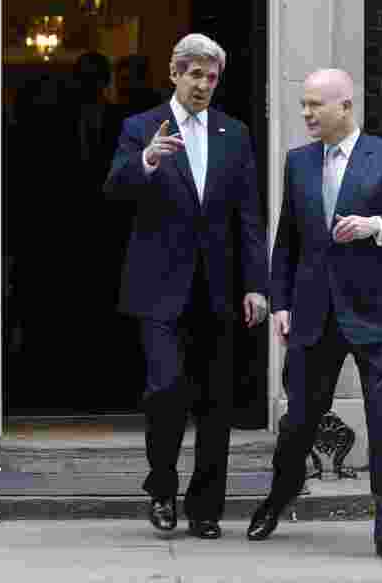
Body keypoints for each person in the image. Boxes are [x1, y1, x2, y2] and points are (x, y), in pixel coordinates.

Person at [246, 68, 382, 567]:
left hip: (377, 316)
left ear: (344, 107)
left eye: (314, 105)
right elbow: (287, 241)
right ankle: (279, 496)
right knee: (299, 423)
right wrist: (280, 303)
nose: (306, 113)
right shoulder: (299, 161)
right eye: (304, 104)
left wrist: (376, 224)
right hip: (312, 313)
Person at [103, 33, 268, 539]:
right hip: (160, 287)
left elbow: (249, 216)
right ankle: (161, 490)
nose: (203, 84)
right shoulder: (140, 128)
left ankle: (206, 507)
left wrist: (257, 285)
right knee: (166, 391)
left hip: (217, 289)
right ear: (174, 74)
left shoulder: (233, 133)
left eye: (211, 77)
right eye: (194, 74)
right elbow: (114, 188)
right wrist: (148, 160)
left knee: (217, 403)